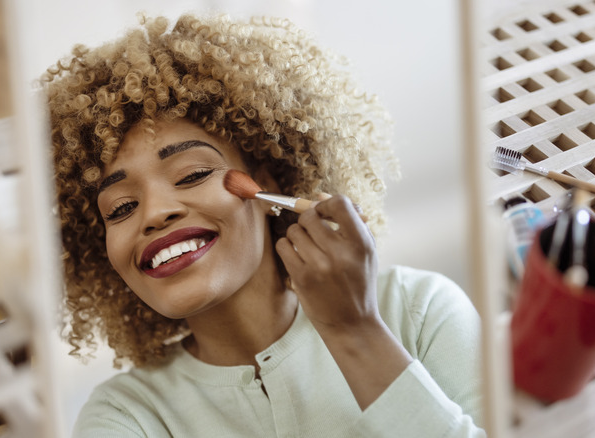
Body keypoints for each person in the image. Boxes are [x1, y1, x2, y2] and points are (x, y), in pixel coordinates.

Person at [43, 12, 485, 438]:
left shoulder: (418, 311)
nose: (155, 213)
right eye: (120, 208)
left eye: (193, 174)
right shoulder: (126, 416)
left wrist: (355, 330)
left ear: (268, 182)